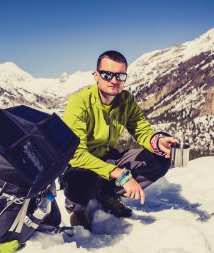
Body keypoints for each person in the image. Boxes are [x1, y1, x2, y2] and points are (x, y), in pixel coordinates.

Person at [60, 50, 178, 231]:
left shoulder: (126, 100)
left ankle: (107, 194)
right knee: (83, 177)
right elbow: (76, 155)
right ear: (96, 75)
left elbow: (141, 129)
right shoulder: (80, 102)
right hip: (79, 166)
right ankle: (77, 208)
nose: (114, 80)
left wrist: (157, 141)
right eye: (107, 75)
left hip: (108, 158)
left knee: (160, 156)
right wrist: (121, 175)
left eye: (120, 76)